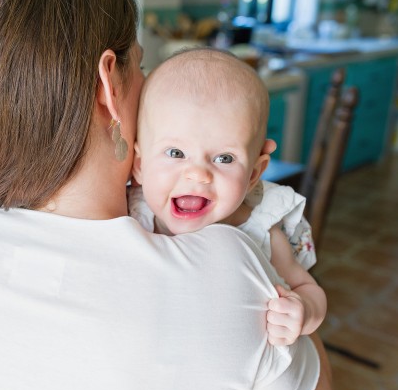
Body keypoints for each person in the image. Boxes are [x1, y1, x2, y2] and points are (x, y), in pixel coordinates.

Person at [0, 0, 332, 390]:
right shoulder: (229, 264)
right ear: (108, 88)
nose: (148, 82)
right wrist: (264, 250)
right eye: (140, 65)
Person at [129, 48, 327, 347]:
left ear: (253, 175)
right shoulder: (130, 217)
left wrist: (304, 312)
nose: (197, 174)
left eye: (224, 158)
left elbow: (307, 288)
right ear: (140, 165)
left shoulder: (261, 232)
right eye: (176, 153)